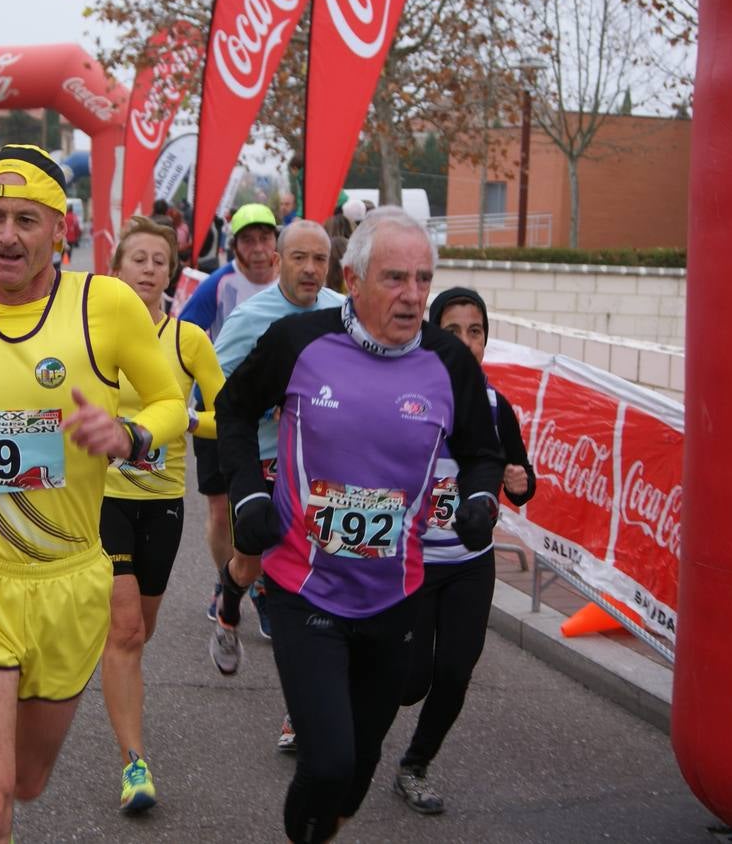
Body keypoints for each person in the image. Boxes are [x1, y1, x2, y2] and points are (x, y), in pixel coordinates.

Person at [0, 145, 186, 843]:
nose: (8, 235)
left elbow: (169, 400)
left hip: (70, 582)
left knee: (24, 782)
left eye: (28, 218)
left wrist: (130, 435)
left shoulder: (105, 304)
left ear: (61, 227)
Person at [215, 206, 505, 843]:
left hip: (394, 596)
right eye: (396, 278)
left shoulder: (448, 363)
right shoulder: (300, 342)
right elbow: (232, 410)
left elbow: (485, 451)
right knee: (326, 762)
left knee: (360, 766)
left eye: (423, 280)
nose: (413, 296)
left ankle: (320, 829)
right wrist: (247, 497)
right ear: (352, 280)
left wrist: (481, 499)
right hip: (302, 586)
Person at [392, 286, 537, 815]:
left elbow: (520, 477)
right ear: (430, 336)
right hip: (410, 562)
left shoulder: (498, 408)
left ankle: (415, 765)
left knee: (455, 672)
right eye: (452, 331)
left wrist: (519, 483)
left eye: (475, 331)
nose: (466, 342)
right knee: (409, 683)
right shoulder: (404, 396)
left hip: (470, 565)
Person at [99, 215, 225, 814]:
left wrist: (176, 423)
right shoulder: (93, 333)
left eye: (159, 261)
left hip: (162, 504)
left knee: (138, 632)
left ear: (171, 273)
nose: (149, 269)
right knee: (124, 630)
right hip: (99, 501)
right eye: (138, 259)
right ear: (116, 268)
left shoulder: (189, 341)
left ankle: (98, 657)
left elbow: (230, 417)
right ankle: (135, 764)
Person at [205, 219, 344, 754]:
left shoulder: (342, 314)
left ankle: (299, 711)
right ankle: (228, 604)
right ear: (279, 261)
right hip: (264, 461)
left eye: (320, 260)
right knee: (251, 562)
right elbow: (223, 396)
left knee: (307, 581)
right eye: (300, 259)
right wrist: (275, 400)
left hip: (322, 467)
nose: (310, 269)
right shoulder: (251, 318)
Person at [178, 202, 281, 637]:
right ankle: (230, 582)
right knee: (222, 513)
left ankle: (262, 585)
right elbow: (182, 336)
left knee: (273, 512)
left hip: (273, 425)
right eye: (247, 240)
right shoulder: (219, 286)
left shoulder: (291, 282)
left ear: (276, 242)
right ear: (234, 245)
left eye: (264, 238)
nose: (257, 249)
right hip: (218, 414)